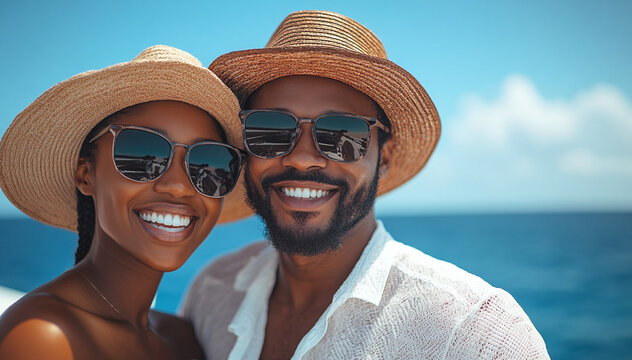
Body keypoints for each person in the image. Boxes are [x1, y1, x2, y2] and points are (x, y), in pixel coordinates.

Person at [181, 10, 550, 360]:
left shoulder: (472, 332)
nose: (302, 157)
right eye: (270, 130)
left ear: (384, 156)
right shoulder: (211, 290)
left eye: (342, 134)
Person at [0, 45, 251, 359]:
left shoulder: (183, 338)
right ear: (86, 175)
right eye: (143, 153)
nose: (178, 186)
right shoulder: (43, 338)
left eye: (209, 163)